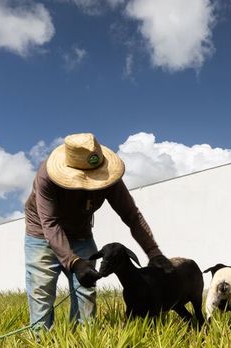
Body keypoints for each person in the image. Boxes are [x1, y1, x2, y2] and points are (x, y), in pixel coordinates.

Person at [24, 132, 172, 329]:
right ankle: (41, 340)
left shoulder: (109, 178)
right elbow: (50, 223)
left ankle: (83, 338)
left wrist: (153, 252)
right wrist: (74, 262)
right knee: (41, 292)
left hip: (81, 234)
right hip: (42, 234)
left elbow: (131, 216)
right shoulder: (47, 177)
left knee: (86, 290)